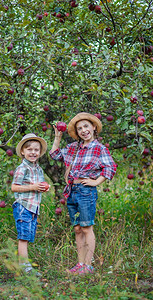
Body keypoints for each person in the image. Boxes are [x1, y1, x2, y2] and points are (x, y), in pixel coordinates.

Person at [49, 112, 117, 275]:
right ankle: (80, 264)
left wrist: (96, 181)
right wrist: (57, 137)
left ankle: (88, 265)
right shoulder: (74, 147)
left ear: (94, 127)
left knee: (87, 227)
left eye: (86, 126)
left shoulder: (99, 148)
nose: (83, 130)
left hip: (86, 191)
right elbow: (55, 154)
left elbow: (110, 167)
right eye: (79, 128)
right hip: (72, 191)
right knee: (78, 228)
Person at [11, 133, 49, 275]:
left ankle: (24, 265)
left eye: (36, 150)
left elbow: (38, 185)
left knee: (27, 236)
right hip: (23, 206)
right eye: (29, 149)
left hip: (33, 207)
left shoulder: (38, 169)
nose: (33, 152)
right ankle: (24, 266)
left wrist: (44, 187)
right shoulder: (22, 168)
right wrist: (33, 187)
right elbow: (14, 187)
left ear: (39, 152)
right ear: (22, 151)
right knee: (23, 237)